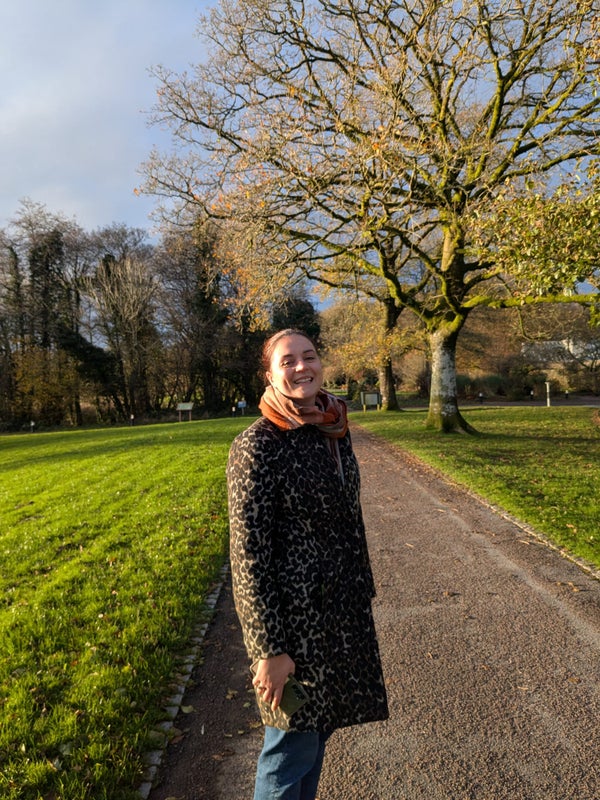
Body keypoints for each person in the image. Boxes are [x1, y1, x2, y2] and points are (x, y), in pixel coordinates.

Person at [227, 329, 388, 800]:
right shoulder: (258, 445)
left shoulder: (331, 429)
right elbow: (247, 556)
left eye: (309, 356)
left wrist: (360, 592)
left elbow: (347, 520)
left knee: (315, 740)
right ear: (269, 375)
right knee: (288, 751)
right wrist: (269, 650)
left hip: (338, 618)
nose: (302, 367)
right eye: (287, 361)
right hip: (292, 629)